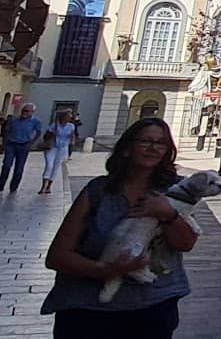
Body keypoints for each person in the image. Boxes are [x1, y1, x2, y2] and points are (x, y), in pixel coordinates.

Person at [42, 118, 199, 338]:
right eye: (146, 141)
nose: (153, 147)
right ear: (127, 148)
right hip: (89, 310)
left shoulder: (175, 192)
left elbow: (186, 243)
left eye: (161, 143)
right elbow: (57, 256)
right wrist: (107, 270)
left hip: (153, 307)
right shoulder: (98, 191)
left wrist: (167, 213)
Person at [1, 102, 43, 192]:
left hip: (24, 145)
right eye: (24, 110)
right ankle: (1, 185)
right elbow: (7, 130)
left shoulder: (36, 121)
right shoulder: (14, 119)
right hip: (12, 144)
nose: (25, 112)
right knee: (7, 165)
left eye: (28, 111)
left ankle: (14, 187)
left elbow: (38, 132)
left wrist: (31, 143)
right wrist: (5, 143)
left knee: (19, 169)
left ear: (32, 112)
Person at [40, 109, 77, 194]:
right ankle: (43, 186)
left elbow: (73, 137)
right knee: (49, 165)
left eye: (70, 116)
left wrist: (72, 140)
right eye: (68, 116)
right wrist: (51, 135)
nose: (69, 118)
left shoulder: (71, 126)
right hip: (52, 146)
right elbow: (47, 134)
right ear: (63, 117)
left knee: (56, 167)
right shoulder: (54, 125)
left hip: (62, 148)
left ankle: (49, 186)